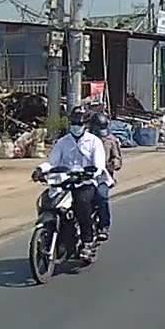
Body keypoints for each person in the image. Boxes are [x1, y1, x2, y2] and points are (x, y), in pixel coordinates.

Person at [33, 109, 109, 261]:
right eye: (73, 123)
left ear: (85, 125)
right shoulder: (63, 142)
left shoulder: (94, 142)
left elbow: (99, 165)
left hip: (85, 182)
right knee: (47, 201)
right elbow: (52, 162)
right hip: (64, 182)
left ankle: (87, 242)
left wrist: (90, 172)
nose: (76, 126)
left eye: (79, 123)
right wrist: (40, 170)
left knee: (82, 203)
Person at [90, 112, 122, 241]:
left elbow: (117, 158)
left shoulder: (111, 140)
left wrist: (115, 163)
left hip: (102, 176)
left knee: (102, 197)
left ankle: (104, 226)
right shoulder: (86, 139)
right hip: (84, 176)